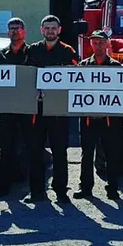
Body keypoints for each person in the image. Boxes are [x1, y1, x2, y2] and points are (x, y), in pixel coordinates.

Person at [25, 15, 80, 204]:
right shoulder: (32, 50)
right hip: (36, 110)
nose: (50, 31)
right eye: (47, 28)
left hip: (58, 110)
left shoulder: (68, 51)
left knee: (59, 151)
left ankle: (60, 191)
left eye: (53, 28)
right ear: (42, 30)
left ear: (59, 30)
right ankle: (36, 192)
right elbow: (24, 78)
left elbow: (78, 78)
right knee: (35, 151)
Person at [73, 30, 122, 201]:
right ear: (91, 44)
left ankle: (113, 189)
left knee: (112, 154)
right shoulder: (83, 66)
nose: (98, 45)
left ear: (108, 43)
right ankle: (85, 188)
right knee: (86, 154)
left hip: (110, 120)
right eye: (95, 42)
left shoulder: (117, 68)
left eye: (101, 42)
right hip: (88, 119)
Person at [0, 17, 32, 195]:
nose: (14, 31)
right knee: (5, 148)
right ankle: (4, 186)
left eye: (17, 28)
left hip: (28, 107)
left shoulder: (33, 53)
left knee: (30, 147)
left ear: (24, 31)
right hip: (7, 108)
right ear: (7, 32)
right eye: (11, 28)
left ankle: (33, 187)